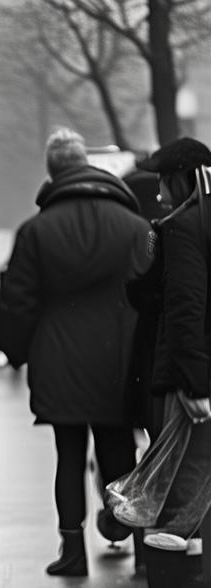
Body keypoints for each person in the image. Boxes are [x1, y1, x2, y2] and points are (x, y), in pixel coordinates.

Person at [0, 128, 149, 576]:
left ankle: (72, 550)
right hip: (119, 356)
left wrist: (15, 351)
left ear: (51, 171)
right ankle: (137, 544)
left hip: (59, 357)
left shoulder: (35, 231)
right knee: (120, 451)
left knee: (68, 454)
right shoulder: (135, 227)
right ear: (87, 163)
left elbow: (18, 301)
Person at [135, 137, 211, 551]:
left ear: (182, 180)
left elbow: (184, 309)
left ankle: (187, 581)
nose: (160, 193)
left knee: (187, 479)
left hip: (192, 378)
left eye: (164, 181)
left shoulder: (182, 228)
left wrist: (195, 384)